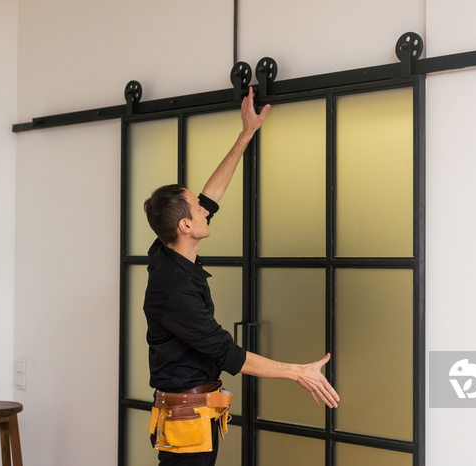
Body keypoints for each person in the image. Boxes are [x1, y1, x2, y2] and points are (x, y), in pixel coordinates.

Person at [142, 88, 339, 465]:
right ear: (185, 225)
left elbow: (211, 195)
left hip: (200, 411)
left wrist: (246, 133)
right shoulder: (173, 290)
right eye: (198, 210)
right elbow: (227, 354)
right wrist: (298, 372)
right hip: (185, 418)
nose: (206, 210)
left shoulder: (168, 248)